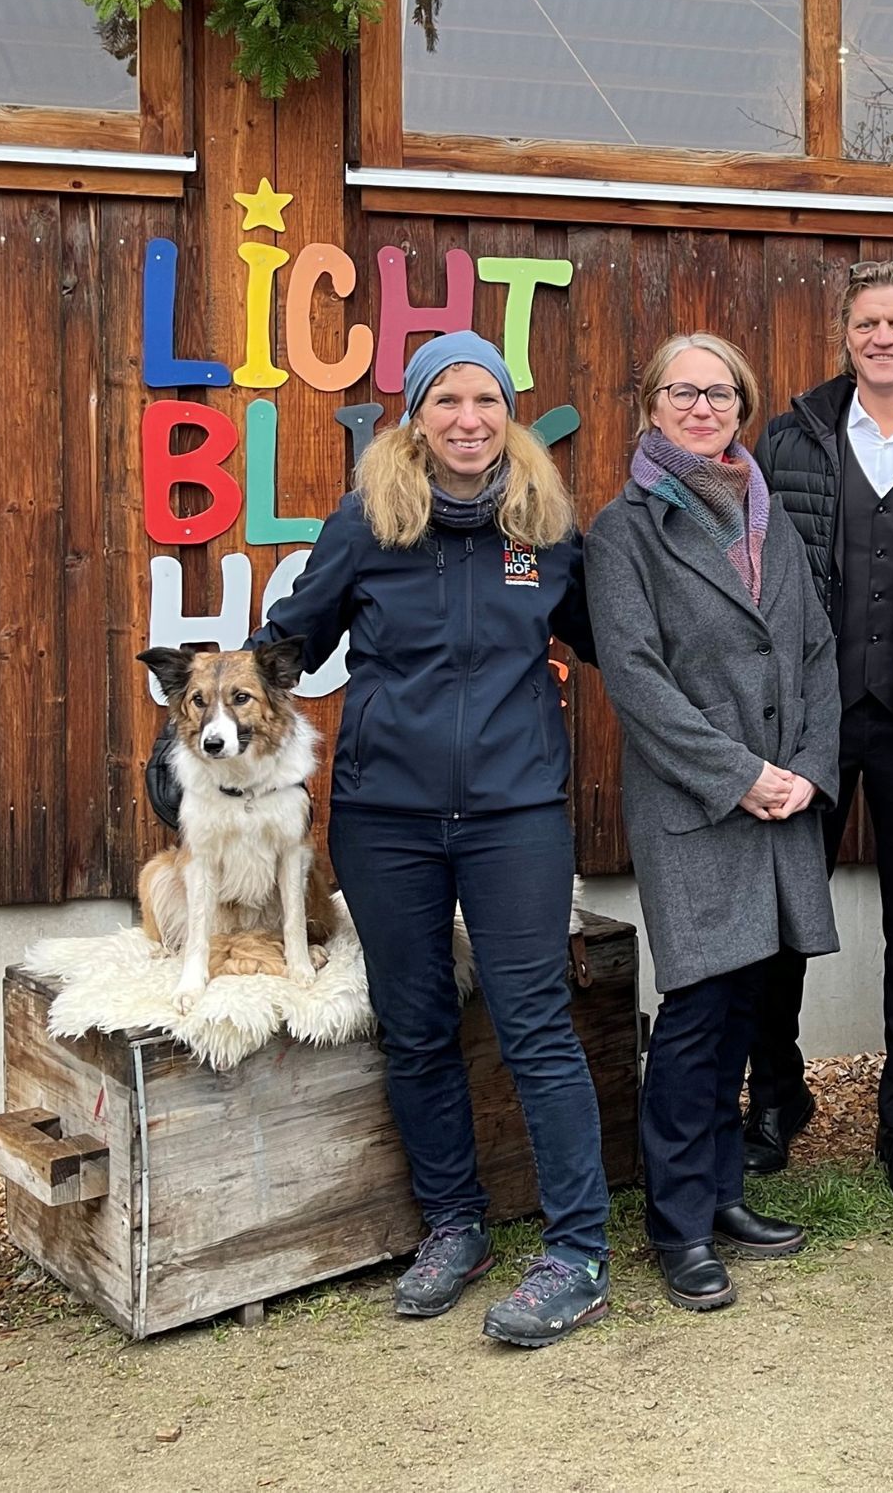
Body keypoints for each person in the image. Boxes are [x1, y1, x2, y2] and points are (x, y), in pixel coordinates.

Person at [247, 330, 613, 1348]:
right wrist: (213, 723)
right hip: (386, 816)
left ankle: (578, 1249)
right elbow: (293, 646)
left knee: (534, 1024)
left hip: (514, 813)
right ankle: (456, 1225)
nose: (467, 419)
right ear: (416, 417)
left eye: (486, 401)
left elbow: (611, 638)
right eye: (446, 400)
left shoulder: (543, 528)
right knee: (413, 1028)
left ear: (509, 416)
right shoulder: (366, 524)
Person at [586, 333, 842, 1312]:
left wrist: (808, 774)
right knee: (697, 1011)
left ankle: (724, 1191)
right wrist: (741, 777)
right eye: (682, 393)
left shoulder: (769, 518)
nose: (703, 407)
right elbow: (639, 683)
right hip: (702, 802)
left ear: (742, 404)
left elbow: (816, 652)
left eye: (720, 392)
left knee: (750, 1005)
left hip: (784, 802)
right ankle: (678, 1223)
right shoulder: (625, 530)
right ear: (651, 405)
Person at [749, 261, 893, 1200]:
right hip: (810, 716)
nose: (881, 337)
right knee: (782, 917)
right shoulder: (791, 440)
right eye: (865, 323)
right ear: (844, 335)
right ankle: (774, 1098)